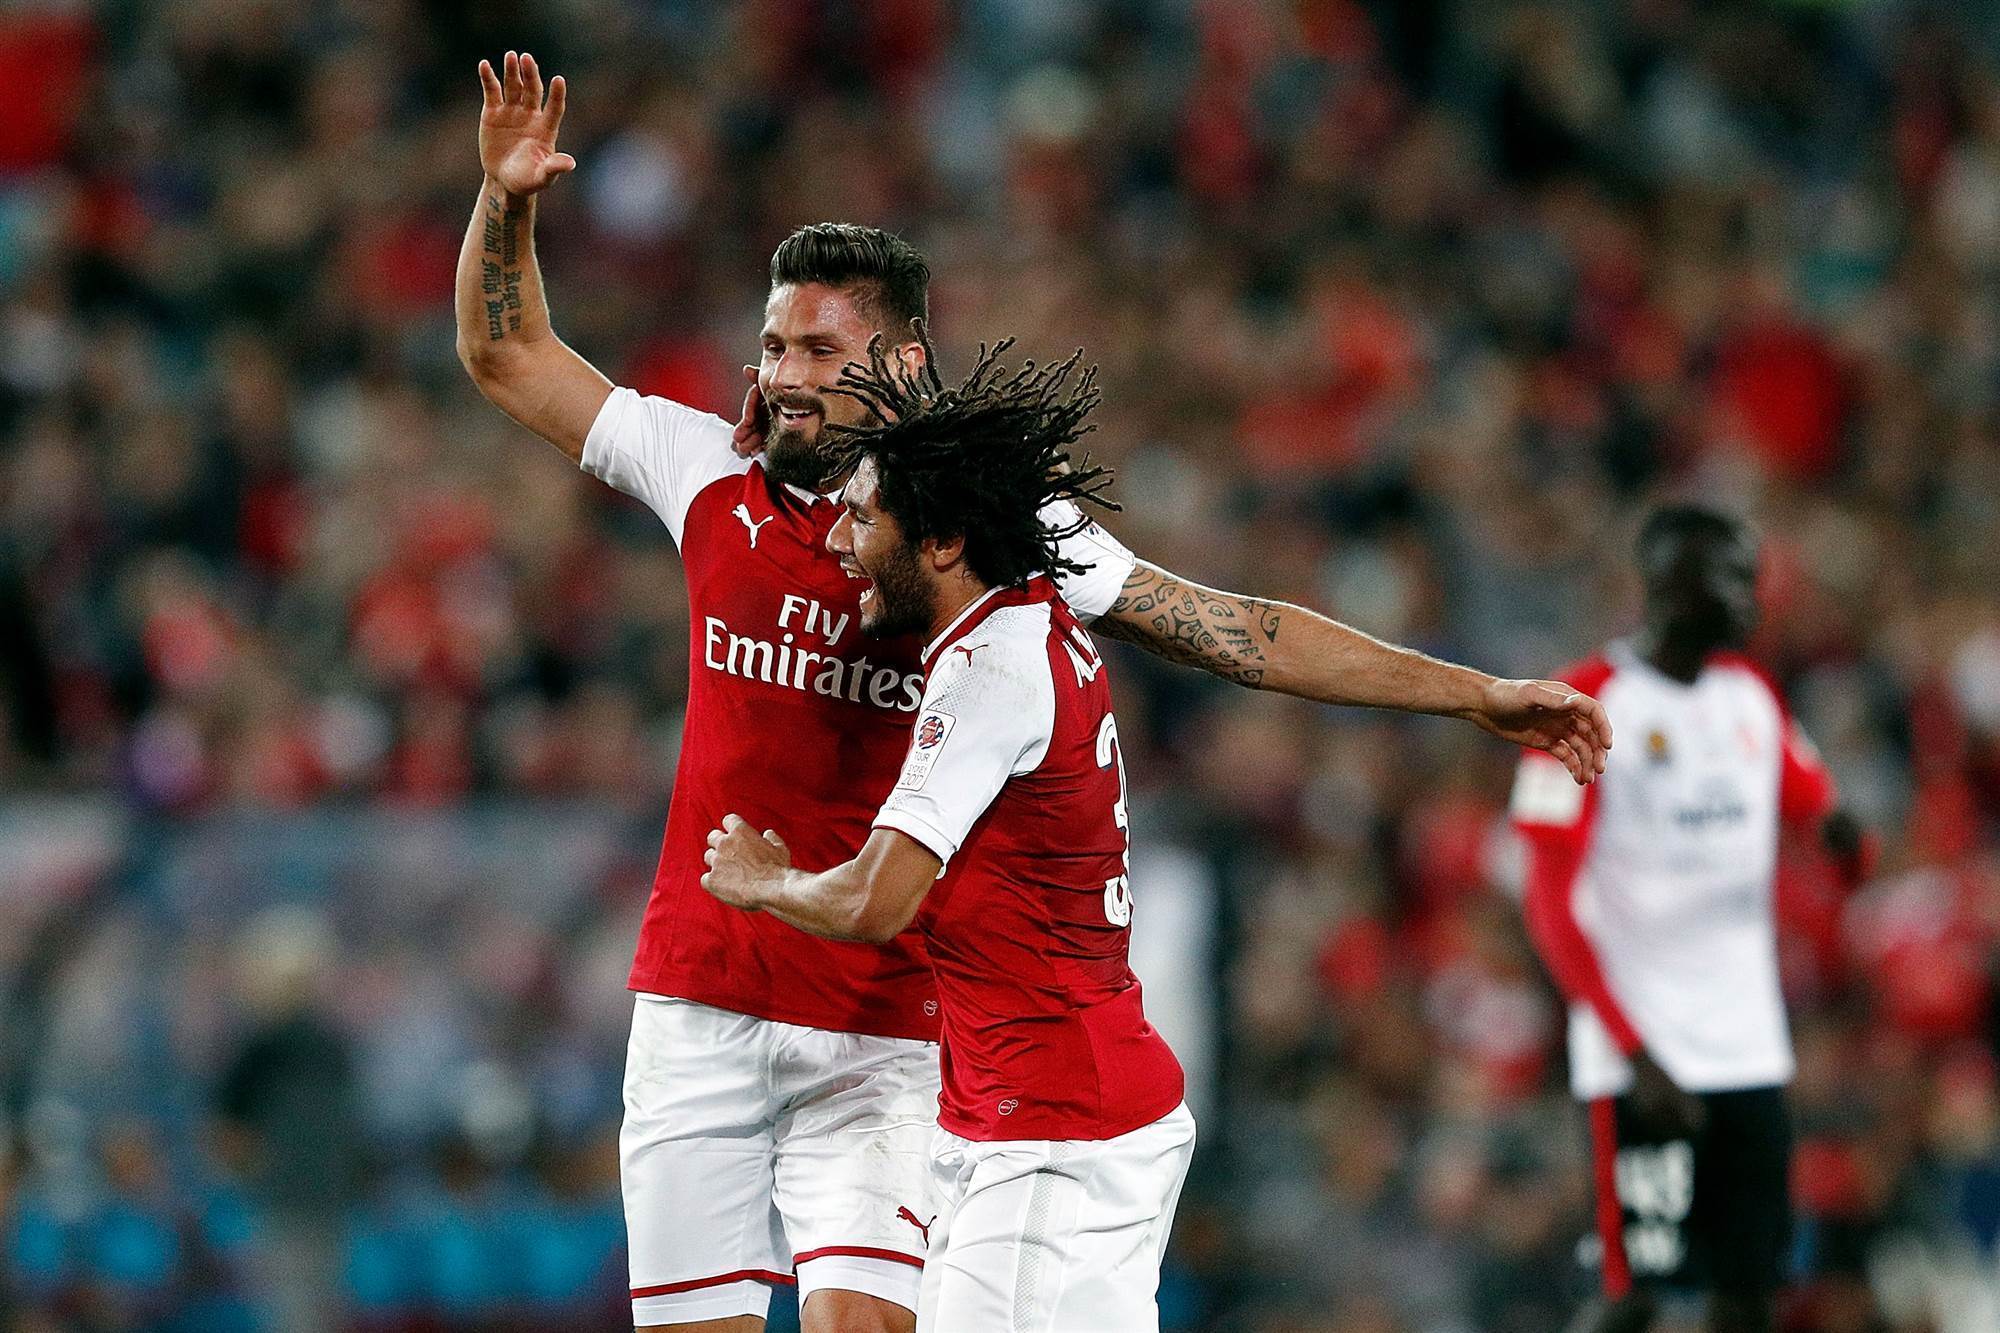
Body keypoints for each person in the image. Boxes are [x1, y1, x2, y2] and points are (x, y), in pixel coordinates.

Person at [455, 50, 1614, 1333]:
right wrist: (506, 199)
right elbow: (508, 354)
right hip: (701, 1005)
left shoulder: (987, 532)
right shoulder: (704, 474)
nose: (780, 373)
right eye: (771, 344)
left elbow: (1235, 632)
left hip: (885, 1028)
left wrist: (1469, 695)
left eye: (817, 349)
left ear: (901, 364)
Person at [702, 334, 1191, 1331]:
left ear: (941, 542)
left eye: (861, 517)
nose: (839, 544)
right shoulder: (1028, 614)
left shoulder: (987, 674)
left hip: (1055, 1126)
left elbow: (874, 901)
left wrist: (764, 881)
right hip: (1041, 1110)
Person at [1508, 505, 1868, 1333]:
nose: (1753, 598)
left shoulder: (1752, 695)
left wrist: (1849, 846)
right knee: (1631, 1300)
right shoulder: (1582, 704)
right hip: (1642, 1054)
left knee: (1750, 1293)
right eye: (1732, 578)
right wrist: (1631, 1048)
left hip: (1748, 1048)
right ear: (1670, 586)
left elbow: (1827, 826)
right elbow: (1549, 902)